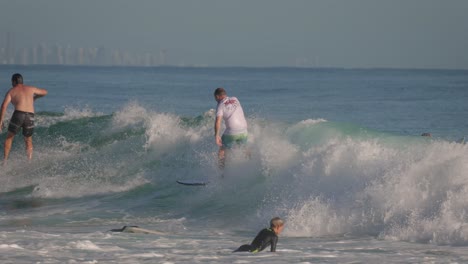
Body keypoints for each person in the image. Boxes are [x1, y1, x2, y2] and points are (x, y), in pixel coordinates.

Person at [0, 73, 48, 162]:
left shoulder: (12, 91)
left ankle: (5, 161)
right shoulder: (31, 89)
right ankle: (29, 161)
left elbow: (3, 106)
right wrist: (35, 97)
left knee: (9, 137)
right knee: (28, 139)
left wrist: (0, 121)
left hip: (18, 114)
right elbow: (45, 92)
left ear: (14, 81)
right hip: (30, 116)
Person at [213, 87, 248, 169]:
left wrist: (216, 135)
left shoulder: (220, 105)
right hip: (244, 130)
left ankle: (221, 172)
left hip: (232, 132)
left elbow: (218, 121)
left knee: (222, 149)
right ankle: (251, 165)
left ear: (217, 97)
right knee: (245, 148)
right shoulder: (235, 99)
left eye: (215, 98)